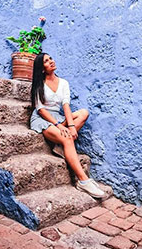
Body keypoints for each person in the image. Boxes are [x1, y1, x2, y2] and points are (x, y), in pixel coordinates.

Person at [28, 53, 106, 199]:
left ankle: (60, 146)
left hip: (59, 116)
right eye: (46, 61)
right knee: (69, 139)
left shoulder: (63, 83)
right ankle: (83, 181)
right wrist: (58, 125)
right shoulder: (39, 84)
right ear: (42, 69)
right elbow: (41, 109)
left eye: (50, 58)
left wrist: (70, 125)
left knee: (83, 113)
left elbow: (66, 105)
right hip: (43, 118)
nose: (51, 62)